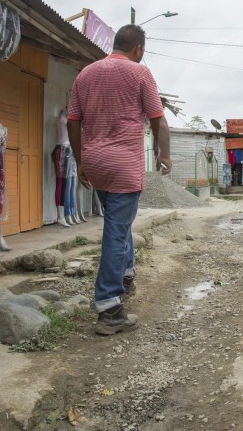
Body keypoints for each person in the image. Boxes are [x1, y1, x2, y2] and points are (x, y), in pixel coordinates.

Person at [68, 24, 172, 336]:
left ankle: (126, 276)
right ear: (138, 49)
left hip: (96, 162)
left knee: (118, 222)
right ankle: (109, 307)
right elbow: (159, 121)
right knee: (115, 230)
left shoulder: (85, 74)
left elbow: (74, 122)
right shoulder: (140, 73)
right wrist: (163, 155)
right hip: (124, 164)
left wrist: (81, 160)